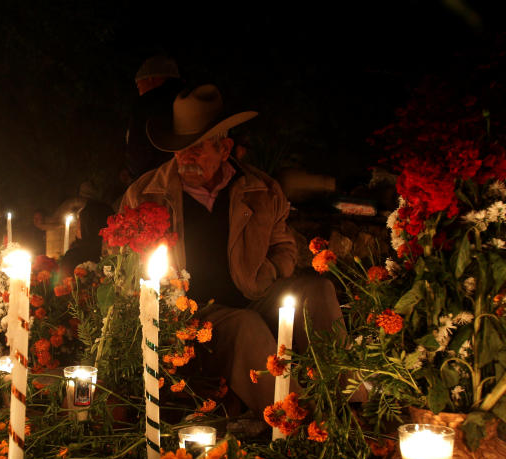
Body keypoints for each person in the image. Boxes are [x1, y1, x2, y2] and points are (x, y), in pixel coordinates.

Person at [120, 84, 345, 417]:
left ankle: (347, 402)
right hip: (192, 313)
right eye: (181, 148)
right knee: (244, 325)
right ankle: (301, 424)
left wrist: (267, 274)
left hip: (255, 293)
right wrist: (168, 300)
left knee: (319, 291)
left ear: (225, 149)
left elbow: (284, 247)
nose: (186, 157)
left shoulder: (262, 190)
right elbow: (122, 266)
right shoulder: (146, 195)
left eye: (197, 147)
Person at [124, 56, 184, 183]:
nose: (139, 91)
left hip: (155, 180)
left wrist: (136, 176)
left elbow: (137, 152)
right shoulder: (189, 99)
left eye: (138, 85)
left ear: (151, 79)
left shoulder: (145, 104)